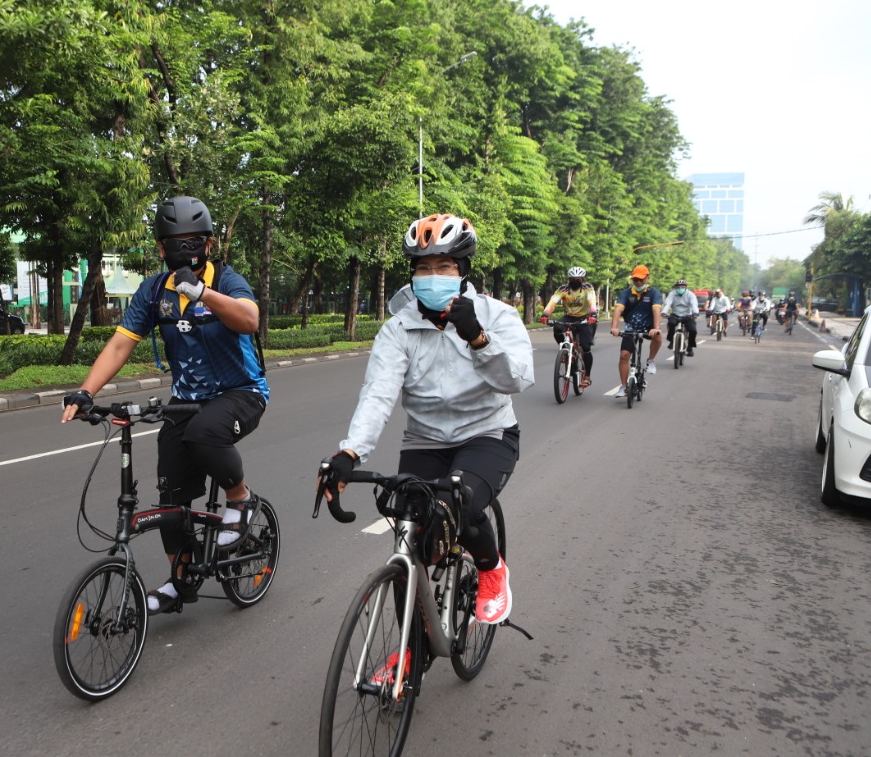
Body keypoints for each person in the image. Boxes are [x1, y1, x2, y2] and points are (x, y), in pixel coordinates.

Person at [318, 213, 534, 625]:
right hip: (425, 441)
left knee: (461, 505)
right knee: (409, 543)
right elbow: (379, 394)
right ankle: (408, 657)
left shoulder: (496, 316)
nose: (433, 275)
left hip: (487, 433)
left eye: (444, 267)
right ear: (413, 274)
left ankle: (491, 569)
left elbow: (518, 379)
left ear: (463, 271)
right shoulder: (399, 328)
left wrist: (479, 339)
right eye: (423, 268)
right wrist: (349, 453)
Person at [60, 196, 269, 614]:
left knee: (204, 433)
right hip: (187, 401)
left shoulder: (227, 281)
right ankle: (180, 580)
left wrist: (204, 293)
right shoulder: (155, 290)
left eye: (194, 242)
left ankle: (241, 499)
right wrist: (87, 393)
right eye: (175, 243)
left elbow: (249, 319)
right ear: (161, 249)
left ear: (208, 244)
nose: (184, 250)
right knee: (170, 495)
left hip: (241, 393)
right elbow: (121, 343)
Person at [539, 265, 598, 388]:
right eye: (573, 279)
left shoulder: (588, 288)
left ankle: (587, 376)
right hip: (569, 316)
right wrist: (545, 314)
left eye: (579, 279)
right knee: (557, 328)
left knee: (586, 347)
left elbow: (592, 302)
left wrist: (593, 314)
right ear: (569, 279)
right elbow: (552, 302)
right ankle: (565, 350)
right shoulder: (563, 289)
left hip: (585, 318)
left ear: (583, 279)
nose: (576, 281)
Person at [610, 264, 663, 397]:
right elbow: (618, 309)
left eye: (641, 279)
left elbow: (656, 310)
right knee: (624, 356)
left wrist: (656, 328)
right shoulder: (626, 293)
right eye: (635, 279)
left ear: (647, 278)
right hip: (631, 327)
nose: (638, 282)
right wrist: (614, 327)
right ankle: (623, 387)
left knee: (658, 336)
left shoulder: (654, 293)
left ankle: (650, 360)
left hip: (648, 326)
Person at [662, 278, 700, 357]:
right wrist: (664, 312)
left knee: (693, 330)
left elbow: (693, 304)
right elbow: (668, 303)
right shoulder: (672, 294)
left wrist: (695, 313)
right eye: (678, 287)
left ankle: (690, 347)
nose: (680, 288)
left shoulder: (690, 294)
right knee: (671, 323)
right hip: (675, 314)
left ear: (686, 287)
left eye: (682, 287)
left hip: (687, 315)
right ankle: (672, 341)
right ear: (676, 287)